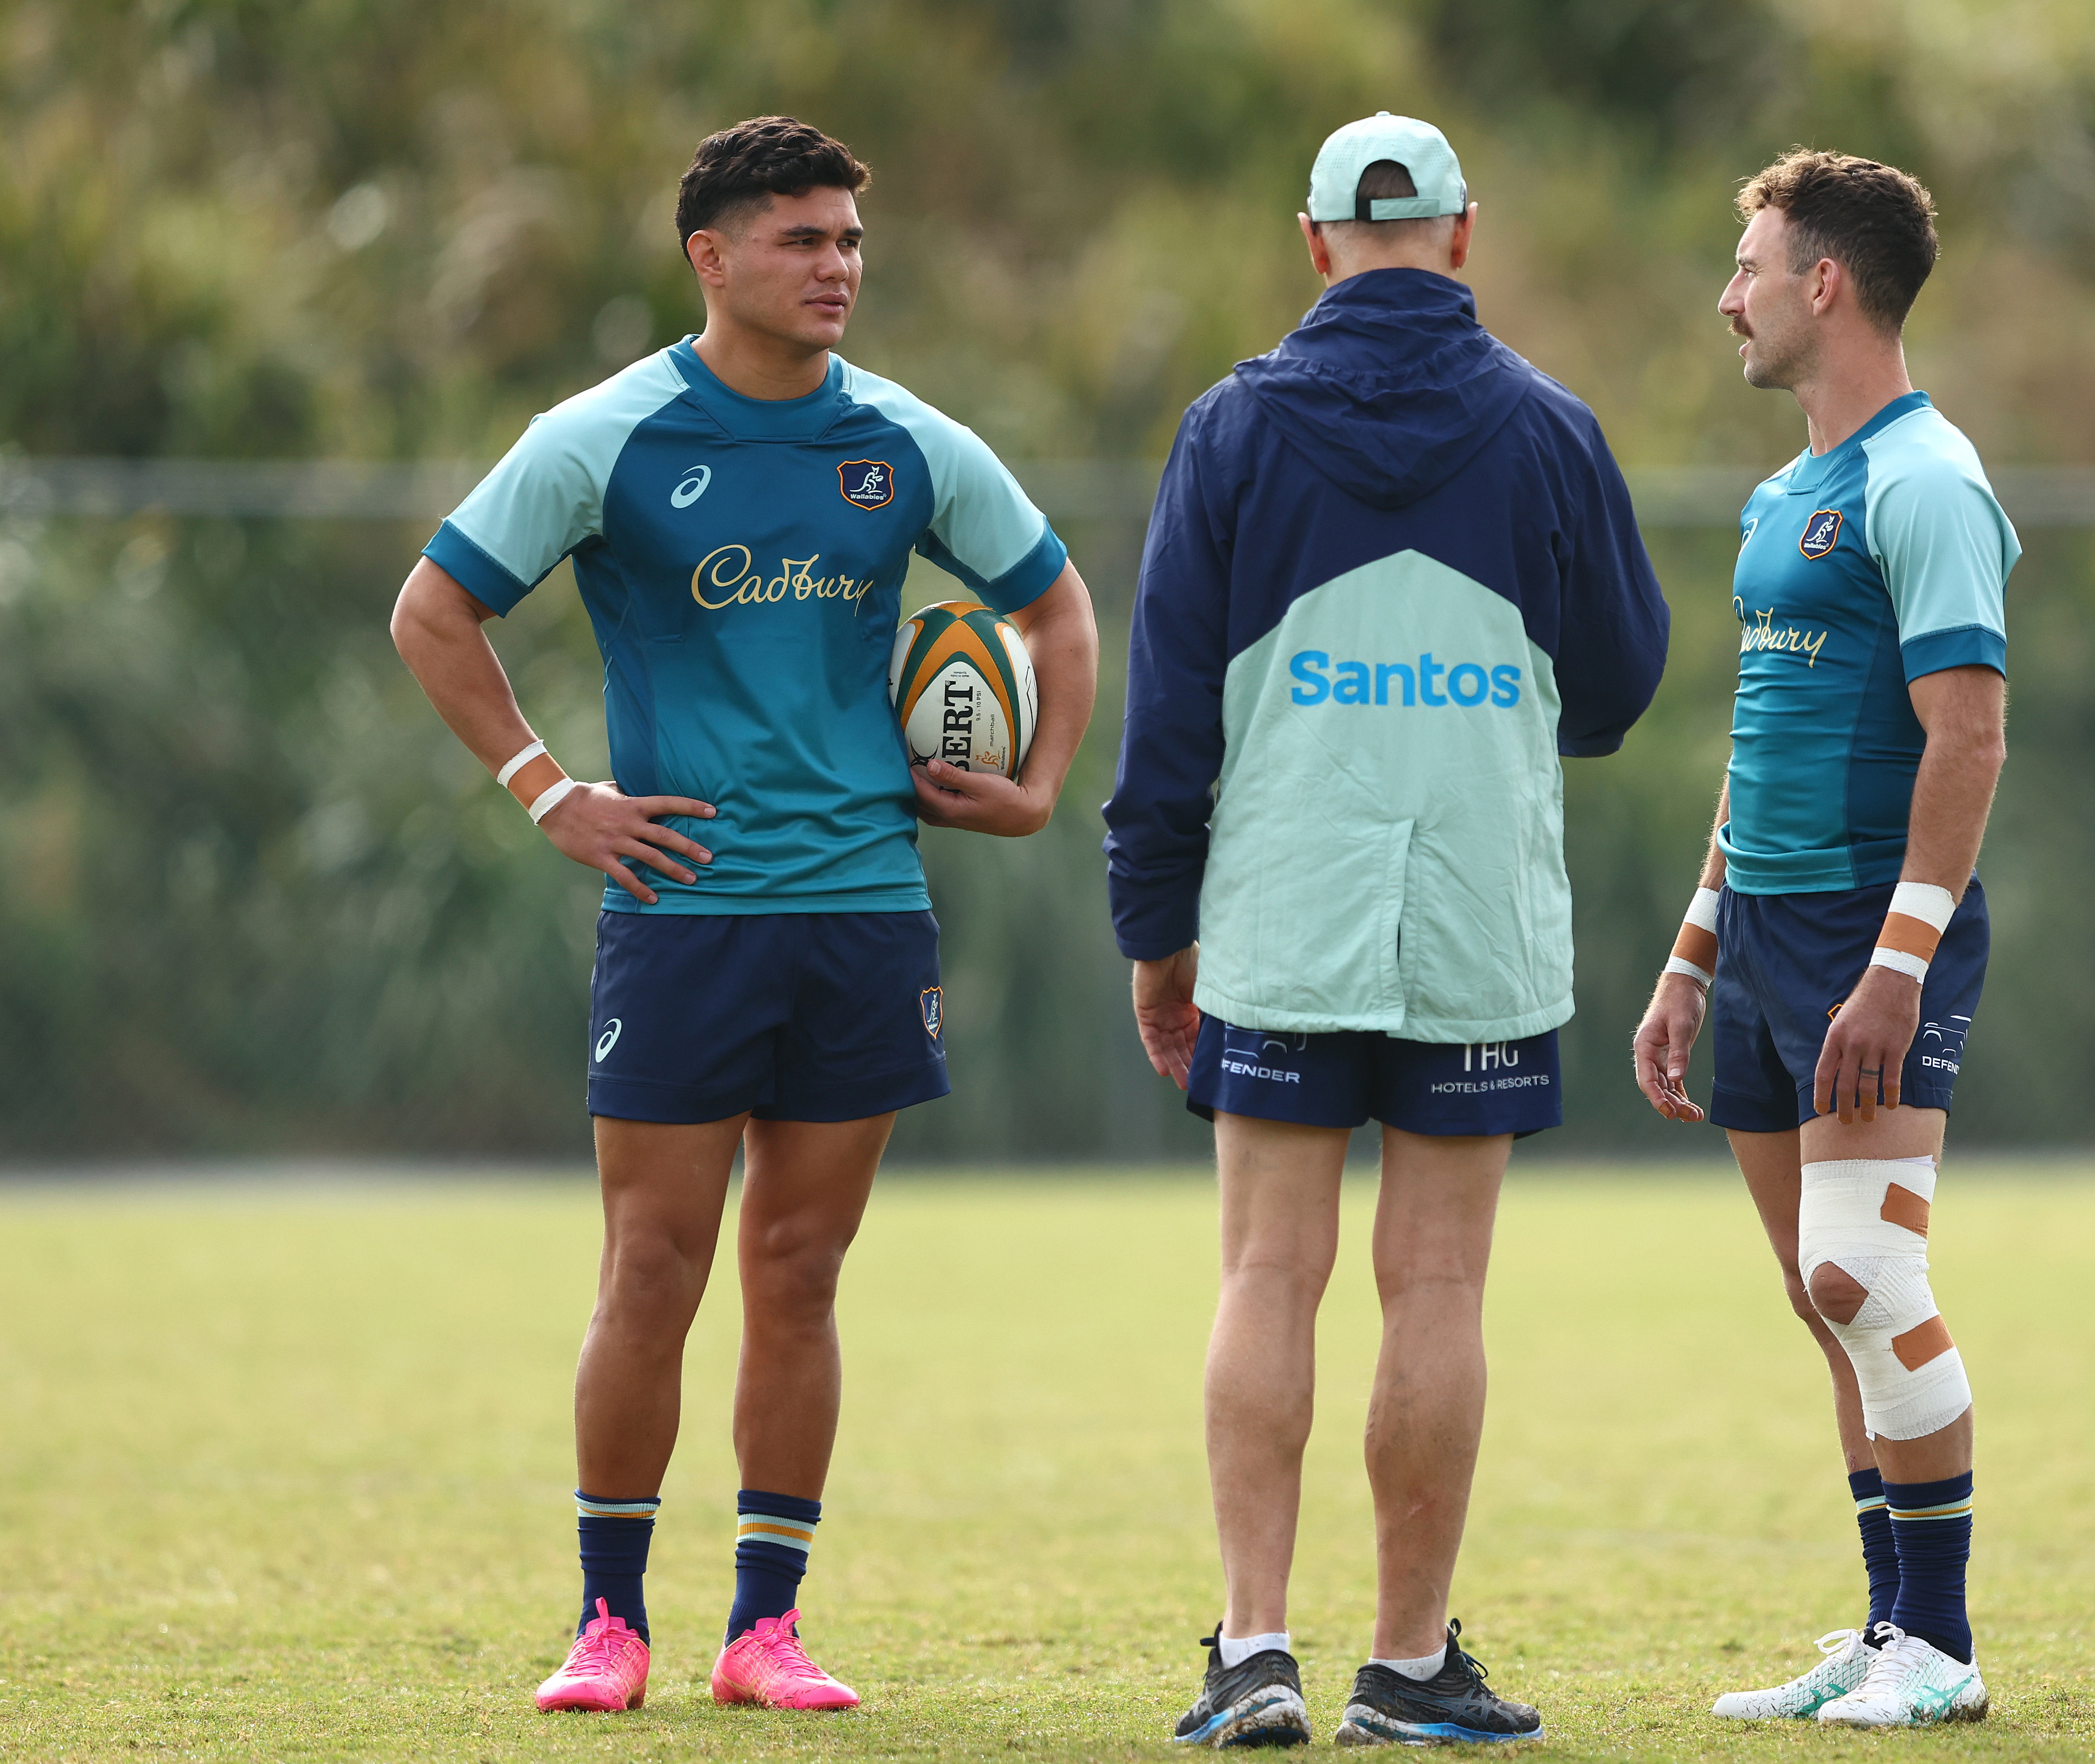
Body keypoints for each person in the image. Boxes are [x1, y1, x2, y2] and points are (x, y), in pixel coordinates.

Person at [388, 116, 1097, 1717]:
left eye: (848, 239)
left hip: (863, 908)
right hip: (685, 909)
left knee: (801, 1268)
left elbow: (1053, 602)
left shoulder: (907, 443)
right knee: (651, 1268)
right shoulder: (608, 436)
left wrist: (1043, 779)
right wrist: (545, 787)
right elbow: (434, 608)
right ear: (710, 257)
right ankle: (608, 1623)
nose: (836, 266)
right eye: (801, 239)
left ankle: (764, 1630)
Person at [1104, 113, 1669, 1747]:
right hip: (1477, 907)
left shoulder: (1228, 427)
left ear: (1312, 244)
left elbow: (1165, 727)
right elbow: (1621, 682)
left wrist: (1156, 933)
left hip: (1283, 899)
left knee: (1267, 1271)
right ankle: (1408, 1670)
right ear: (1463, 235)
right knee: (1435, 1286)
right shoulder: (1551, 429)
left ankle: (1253, 1654)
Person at [1630, 149, 2018, 1730]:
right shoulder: (1784, 494)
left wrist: (1896, 961)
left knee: (1862, 1273)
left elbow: (1969, 739)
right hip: (1771, 934)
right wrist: (1691, 951)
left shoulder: (1922, 480)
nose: (1726, 295)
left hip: (1872, 931)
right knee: (1817, 1292)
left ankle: (1940, 1644)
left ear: (1824, 284)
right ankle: (1880, 1633)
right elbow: (1762, 738)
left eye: (1747, 265)